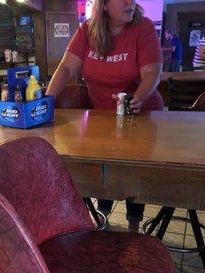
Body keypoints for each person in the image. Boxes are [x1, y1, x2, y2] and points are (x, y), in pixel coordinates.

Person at [46, 0, 163, 232]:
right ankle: (104, 224)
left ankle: (133, 230)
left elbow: (152, 73)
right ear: (105, 5)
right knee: (103, 173)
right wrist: (46, 101)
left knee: (132, 176)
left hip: (140, 116)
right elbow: (67, 68)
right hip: (103, 120)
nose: (130, 2)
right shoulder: (87, 30)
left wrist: (135, 100)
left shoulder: (144, 27)